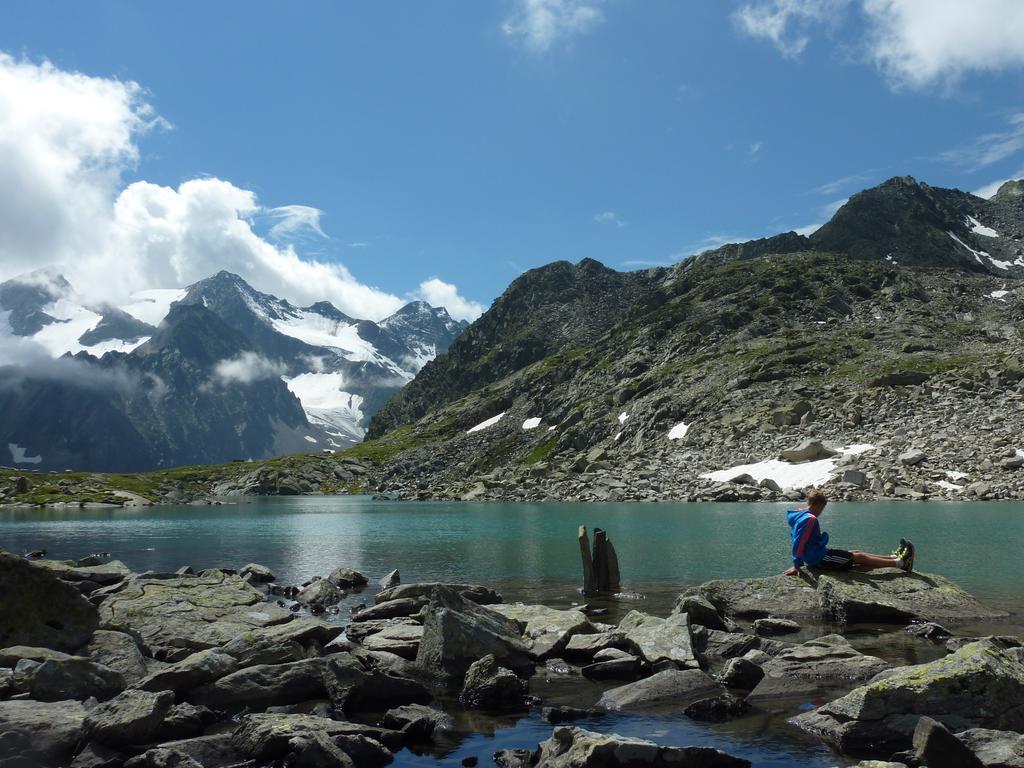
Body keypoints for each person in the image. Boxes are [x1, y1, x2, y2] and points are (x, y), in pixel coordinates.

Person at [783, 489, 914, 576]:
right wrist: (797, 565)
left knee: (857, 552)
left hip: (819, 555)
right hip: (819, 559)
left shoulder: (800, 515)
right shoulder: (810, 520)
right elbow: (799, 543)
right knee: (859, 558)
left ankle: (894, 558)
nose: (821, 512)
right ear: (818, 506)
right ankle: (902, 564)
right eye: (822, 509)